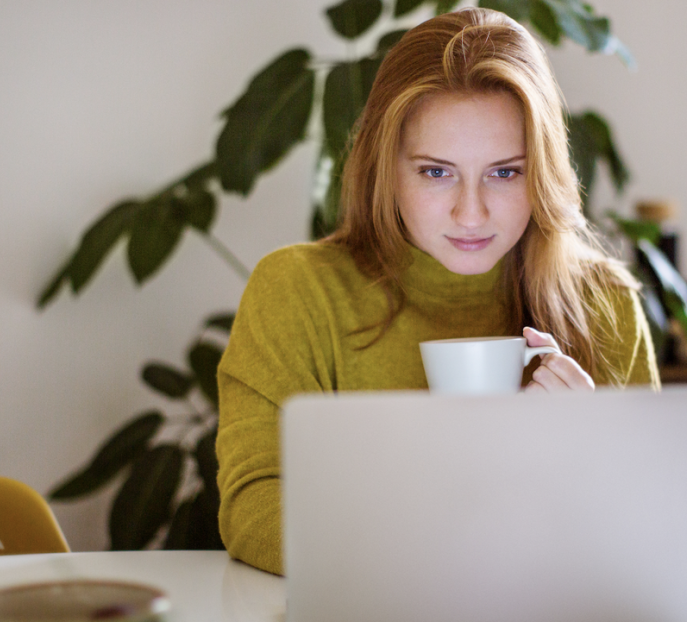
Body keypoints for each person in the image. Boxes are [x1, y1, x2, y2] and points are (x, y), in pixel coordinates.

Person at [214, 7, 659, 576]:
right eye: (435, 172)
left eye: (505, 173)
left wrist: (585, 462)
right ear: (386, 168)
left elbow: (646, 541)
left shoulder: (604, 304)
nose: (470, 213)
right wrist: (434, 550)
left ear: (543, 172)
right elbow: (254, 509)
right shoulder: (298, 292)